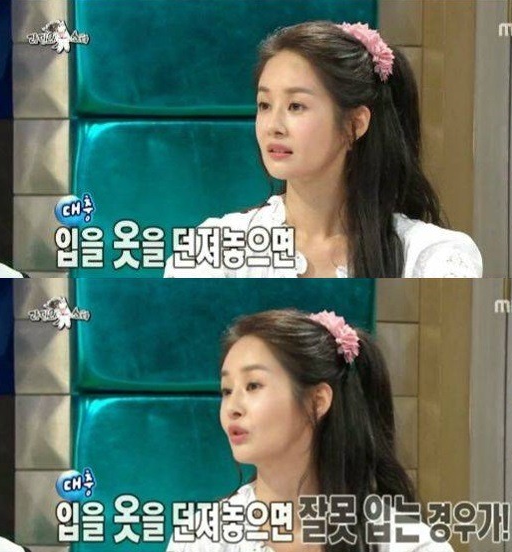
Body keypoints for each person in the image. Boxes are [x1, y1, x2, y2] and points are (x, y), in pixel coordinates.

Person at [165, 21, 482, 278]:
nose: (273, 126)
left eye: (296, 106)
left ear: (355, 123)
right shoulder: (215, 246)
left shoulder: (431, 254)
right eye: (264, 105)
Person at [166, 309, 454, 552]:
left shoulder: (407, 543)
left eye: (253, 385)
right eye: (227, 390)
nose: (232, 408)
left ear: (317, 401)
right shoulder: (201, 538)